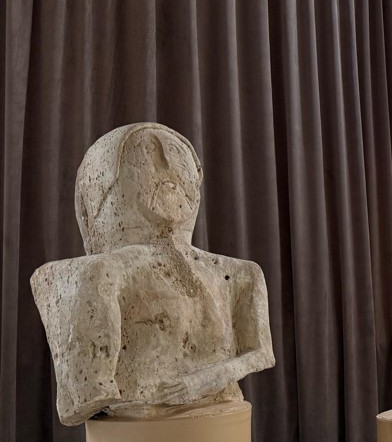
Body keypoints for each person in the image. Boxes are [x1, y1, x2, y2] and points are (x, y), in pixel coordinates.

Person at [31, 123, 275, 426]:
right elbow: (84, 395)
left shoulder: (241, 274)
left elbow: (262, 353)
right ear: (106, 185)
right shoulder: (99, 272)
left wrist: (202, 381)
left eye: (178, 157)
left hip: (215, 411)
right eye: (149, 154)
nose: (169, 167)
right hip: (140, 423)